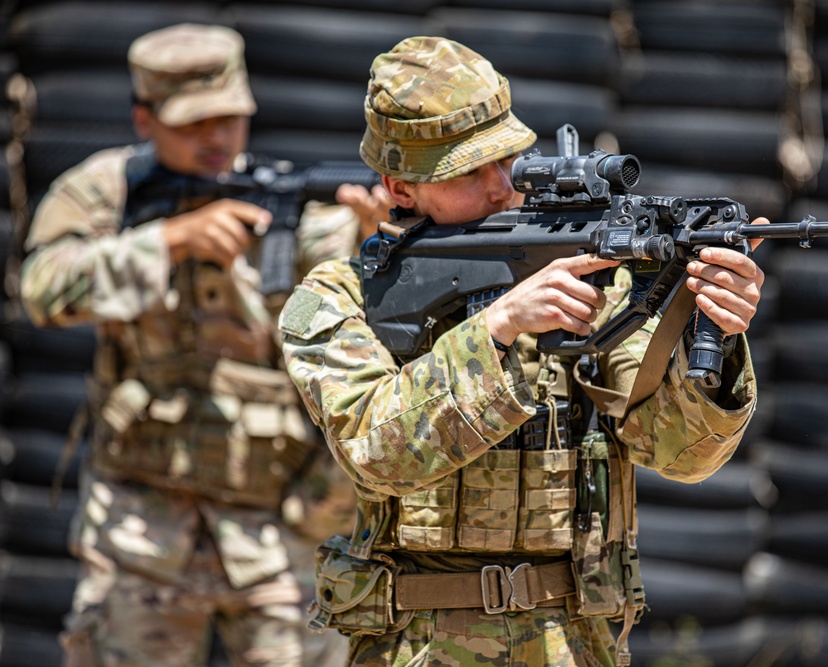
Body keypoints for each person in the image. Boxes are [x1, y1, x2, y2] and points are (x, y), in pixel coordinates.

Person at [279, 36, 764, 667]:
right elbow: (375, 451)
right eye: (465, 171)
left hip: (577, 646)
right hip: (419, 648)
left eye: (507, 158)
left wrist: (714, 335)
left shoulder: (594, 279)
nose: (500, 187)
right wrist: (499, 328)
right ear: (398, 188)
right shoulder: (335, 298)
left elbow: (679, 454)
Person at [19, 23, 360, 667]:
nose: (217, 139)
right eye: (194, 123)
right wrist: (172, 241)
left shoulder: (292, 205)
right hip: (141, 529)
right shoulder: (106, 192)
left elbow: (362, 329)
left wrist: (373, 243)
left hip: (279, 528)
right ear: (143, 118)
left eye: (230, 120)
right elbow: (43, 289)